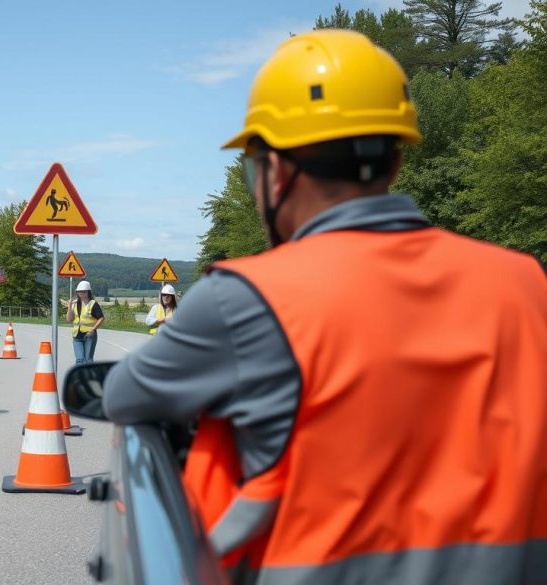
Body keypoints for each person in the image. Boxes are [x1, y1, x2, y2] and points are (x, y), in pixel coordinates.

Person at [102, 30, 547, 584]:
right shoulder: (526, 283)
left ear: (278, 171)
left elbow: (121, 395)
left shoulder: (245, 297)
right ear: (395, 162)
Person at [65, 280, 104, 365]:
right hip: (76, 335)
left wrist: (93, 329)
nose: (81, 293)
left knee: (88, 360)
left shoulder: (93, 304)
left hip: (89, 335)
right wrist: (69, 307)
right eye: (79, 291)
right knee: (79, 359)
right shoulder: (74, 303)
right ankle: (79, 377)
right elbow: (69, 319)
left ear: (88, 292)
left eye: (83, 291)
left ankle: (88, 377)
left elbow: (101, 318)